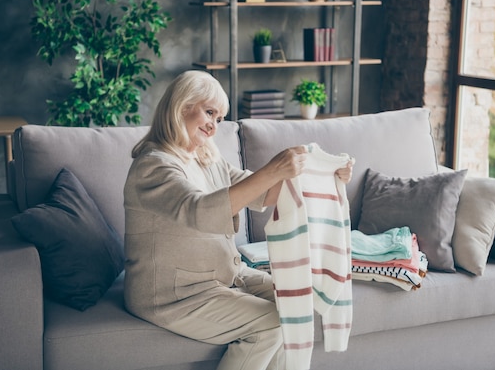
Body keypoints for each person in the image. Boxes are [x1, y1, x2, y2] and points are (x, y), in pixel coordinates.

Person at [123, 70, 353, 370]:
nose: (213, 125)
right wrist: (273, 169)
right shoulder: (153, 167)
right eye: (209, 112)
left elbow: (262, 194)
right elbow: (200, 211)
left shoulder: (207, 157)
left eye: (219, 119)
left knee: (296, 304)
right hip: (173, 295)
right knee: (272, 324)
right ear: (182, 106)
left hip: (224, 277)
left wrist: (324, 175)